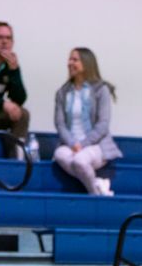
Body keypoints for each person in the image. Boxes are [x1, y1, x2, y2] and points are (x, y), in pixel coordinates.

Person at [52, 48, 122, 196]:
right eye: (70, 59)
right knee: (59, 155)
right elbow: (60, 124)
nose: (70, 63)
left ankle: (93, 195)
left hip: (96, 145)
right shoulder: (62, 92)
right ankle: (97, 184)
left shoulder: (100, 90)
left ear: (86, 63)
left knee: (80, 161)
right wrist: (72, 143)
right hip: (71, 145)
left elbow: (103, 125)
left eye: (75, 60)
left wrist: (82, 144)